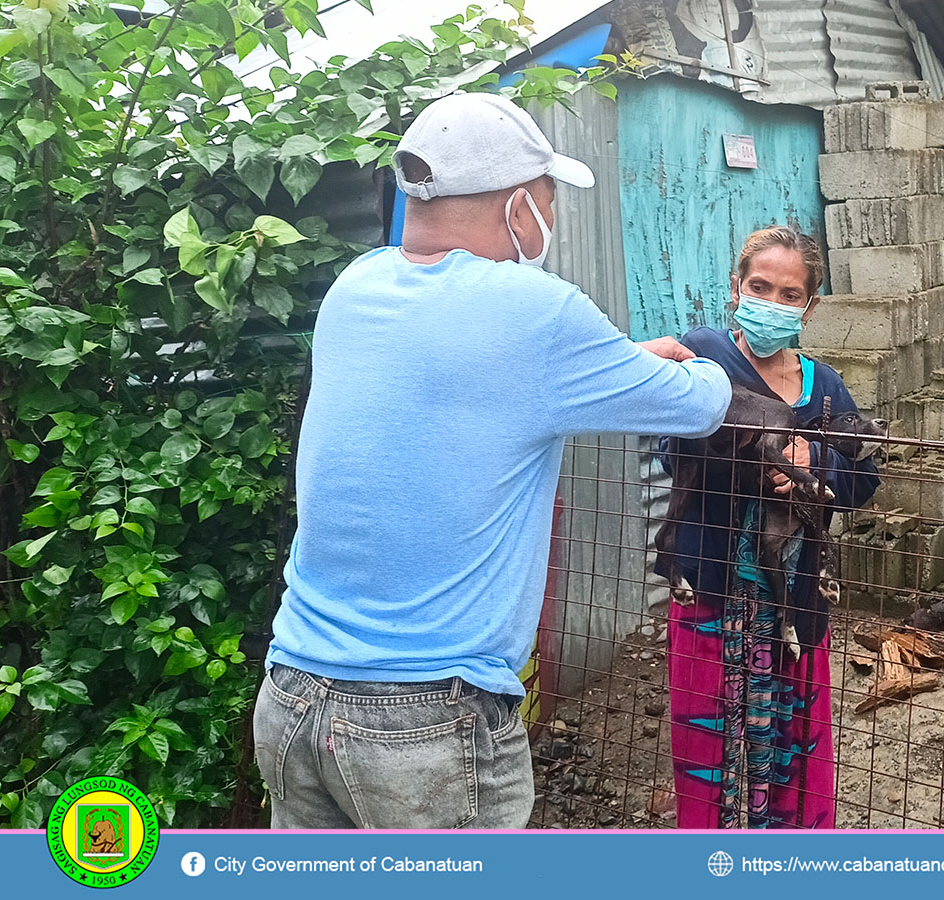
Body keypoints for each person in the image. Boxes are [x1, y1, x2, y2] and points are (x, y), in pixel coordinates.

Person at [253, 92, 733, 829]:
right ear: (516, 205)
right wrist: (714, 361)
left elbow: (462, 384)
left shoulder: (356, 287)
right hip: (425, 723)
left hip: (293, 698)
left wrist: (607, 367)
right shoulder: (534, 310)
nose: (551, 216)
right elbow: (698, 404)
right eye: (547, 197)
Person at [661, 226, 880, 829]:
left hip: (793, 606)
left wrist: (817, 466)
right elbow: (668, 451)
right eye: (761, 287)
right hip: (712, 594)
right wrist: (752, 453)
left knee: (791, 749)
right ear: (736, 289)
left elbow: (865, 478)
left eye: (790, 294)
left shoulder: (825, 387)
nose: (773, 303)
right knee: (712, 751)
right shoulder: (706, 362)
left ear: (808, 306)